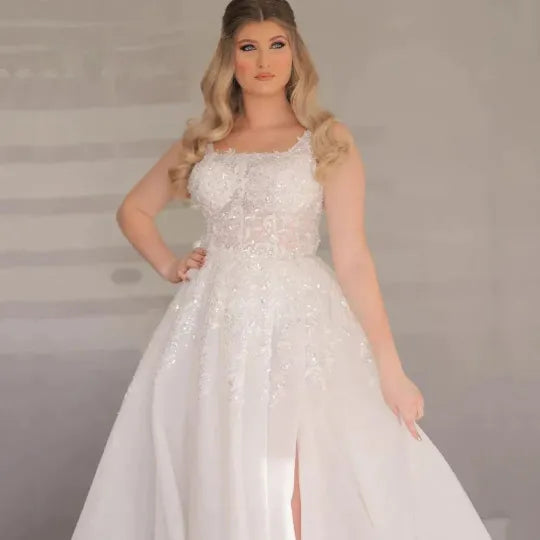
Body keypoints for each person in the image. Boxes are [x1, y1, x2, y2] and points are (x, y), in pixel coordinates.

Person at [71, 1, 492, 539]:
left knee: (295, 473)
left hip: (297, 323)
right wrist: (170, 264)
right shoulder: (203, 142)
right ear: (230, 58)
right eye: (249, 47)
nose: (264, 61)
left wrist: (390, 368)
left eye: (277, 45)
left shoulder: (327, 139)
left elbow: (353, 257)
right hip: (213, 327)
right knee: (221, 467)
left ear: (296, 53)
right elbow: (134, 210)